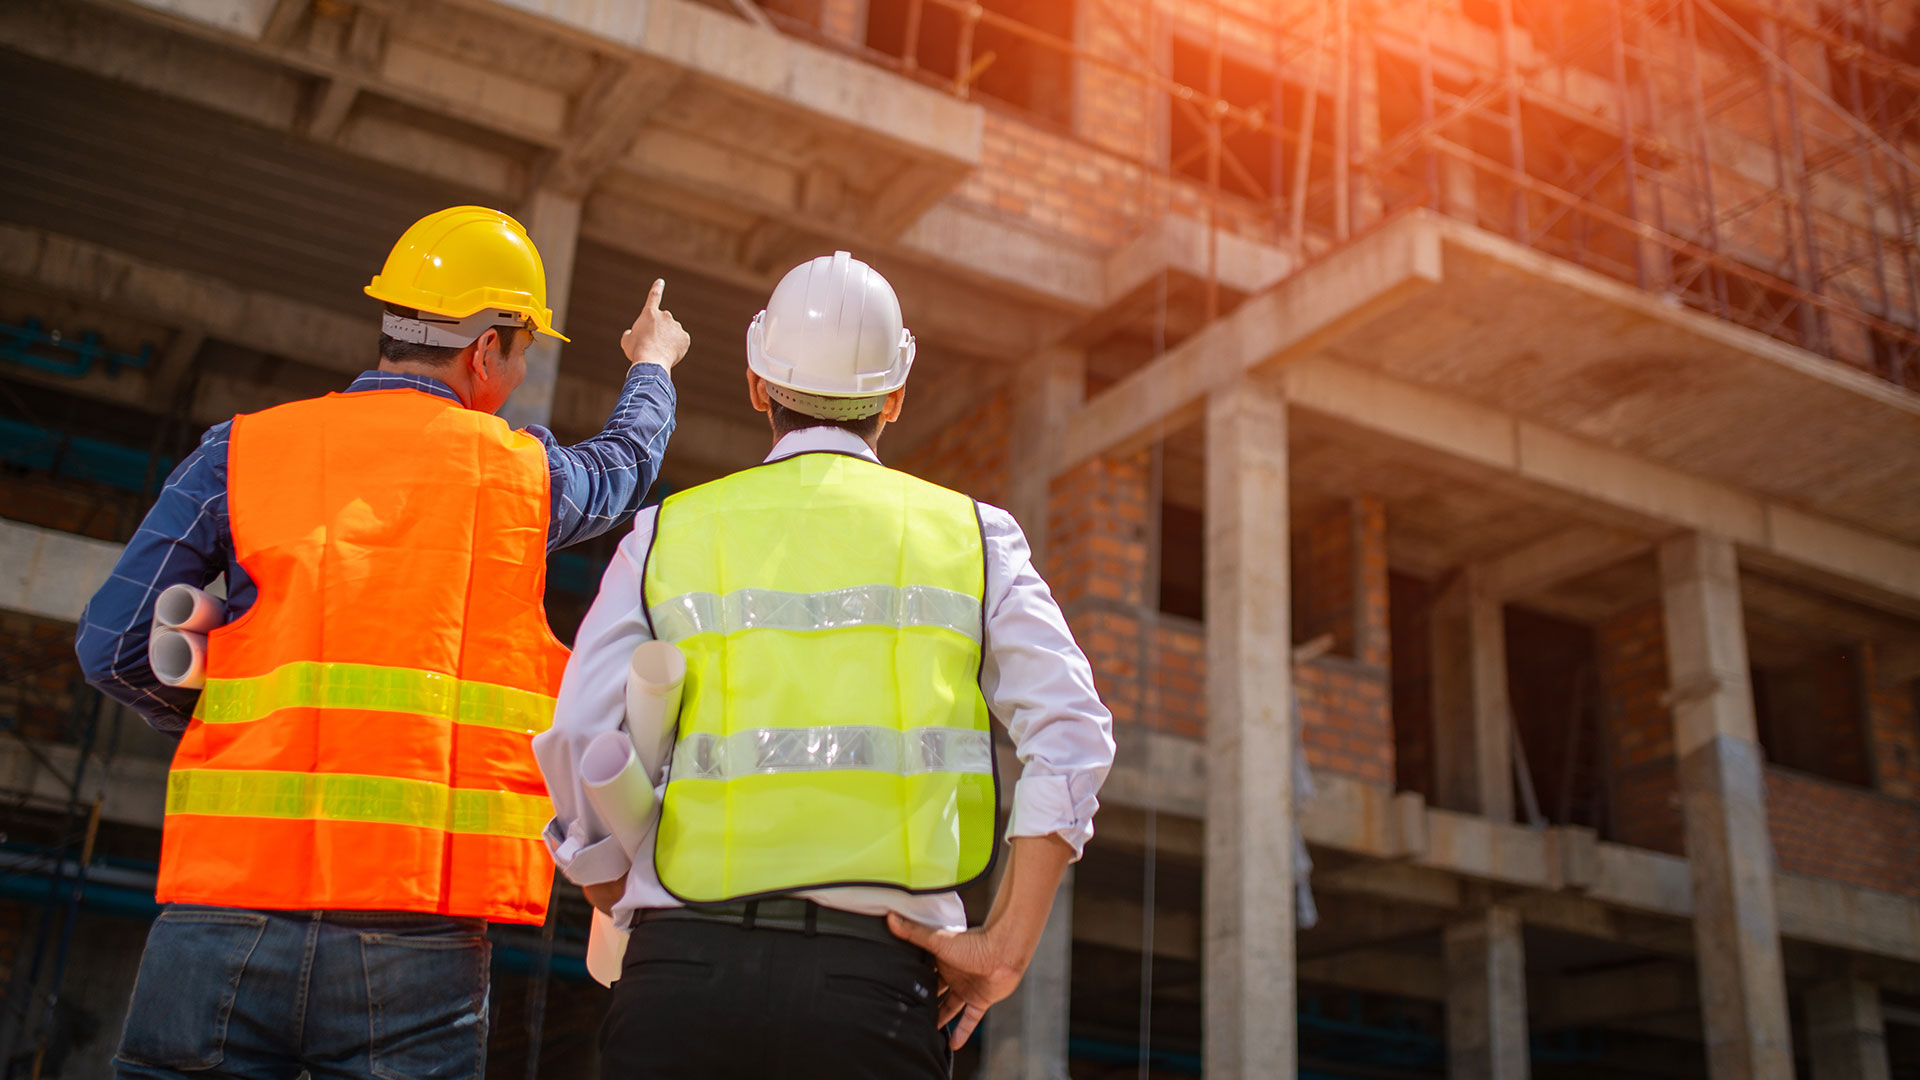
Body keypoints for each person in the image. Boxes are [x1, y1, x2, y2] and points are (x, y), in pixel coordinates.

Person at [73, 205, 690, 1080]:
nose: (515, 376)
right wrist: (653, 365)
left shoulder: (241, 452)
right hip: (415, 934)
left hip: (222, 910)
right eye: (522, 354)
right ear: (487, 351)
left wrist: (238, 722)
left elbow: (110, 645)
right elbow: (625, 464)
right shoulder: (521, 479)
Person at [534, 251, 1115, 1079]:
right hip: (874, 987)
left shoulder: (669, 533)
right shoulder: (974, 538)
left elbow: (579, 733)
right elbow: (1072, 732)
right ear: (895, 397)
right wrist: (1004, 949)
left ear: (756, 383)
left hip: (682, 975)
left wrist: (606, 882)